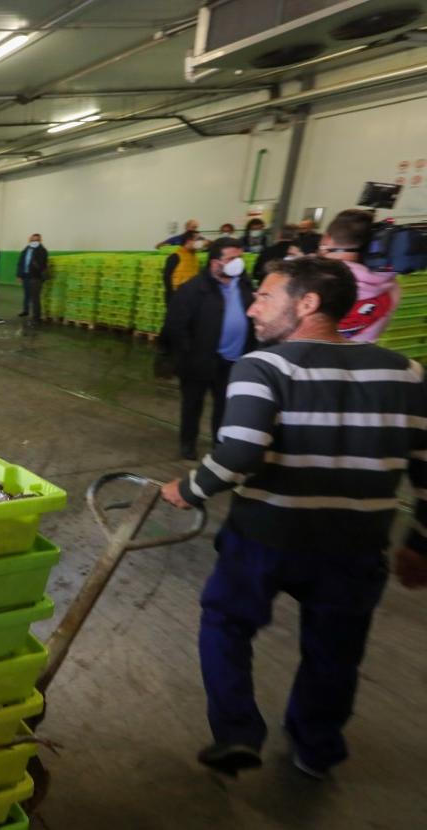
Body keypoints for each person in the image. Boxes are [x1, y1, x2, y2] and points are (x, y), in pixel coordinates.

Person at [160, 255, 427, 780]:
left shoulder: (263, 367)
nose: (254, 309)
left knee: (226, 624)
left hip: (265, 538)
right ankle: (316, 748)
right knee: (334, 651)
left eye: (265, 297)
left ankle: (237, 733)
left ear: (307, 304)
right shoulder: (408, 373)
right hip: (356, 548)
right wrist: (419, 542)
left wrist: (188, 488)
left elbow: (240, 453)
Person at [163, 239, 254, 461]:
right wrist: (188, 355)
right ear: (215, 263)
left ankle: (219, 444)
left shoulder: (244, 285)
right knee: (193, 404)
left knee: (225, 407)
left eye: (240, 257)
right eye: (232, 258)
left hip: (233, 361)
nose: (238, 263)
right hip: (200, 361)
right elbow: (176, 325)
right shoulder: (193, 289)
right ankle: (188, 444)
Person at [320, 209, 400, 343]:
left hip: (312, 359)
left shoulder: (313, 278)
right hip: (364, 359)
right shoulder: (391, 285)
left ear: (326, 239)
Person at [162, 230, 204, 303]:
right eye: (197, 240)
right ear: (188, 241)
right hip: (177, 298)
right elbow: (166, 278)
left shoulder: (195, 258)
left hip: (192, 297)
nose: (200, 243)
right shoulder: (175, 256)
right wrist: (172, 297)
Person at [16, 233, 49, 323]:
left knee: (35, 297)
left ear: (40, 241)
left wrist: (35, 262)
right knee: (26, 294)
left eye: (36, 240)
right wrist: (19, 275)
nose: (34, 242)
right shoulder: (26, 250)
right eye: (32, 240)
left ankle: (36, 316)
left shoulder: (42, 251)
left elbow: (42, 265)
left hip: (36, 277)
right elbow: (20, 262)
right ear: (29, 241)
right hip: (26, 275)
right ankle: (25, 310)